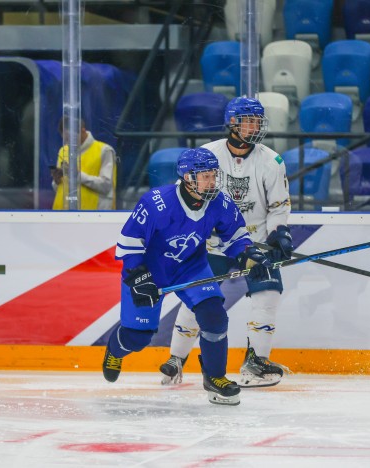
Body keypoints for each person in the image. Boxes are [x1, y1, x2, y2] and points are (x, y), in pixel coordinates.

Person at [104, 147, 277, 406]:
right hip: (150, 272)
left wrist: (250, 257)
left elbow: (237, 237)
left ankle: (215, 378)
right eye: (205, 176)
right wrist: (138, 276)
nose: (211, 181)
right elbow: (129, 242)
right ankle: (115, 350)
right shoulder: (156, 202)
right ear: (187, 178)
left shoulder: (219, 202)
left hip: (190, 267)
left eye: (213, 175)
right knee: (137, 338)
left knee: (214, 316)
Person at [159, 96, 293, 388]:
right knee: (198, 299)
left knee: (267, 296)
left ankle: (256, 362)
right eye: (249, 120)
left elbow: (278, 207)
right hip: (211, 244)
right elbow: (183, 198)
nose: (255, 126)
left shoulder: (272, 161)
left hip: (253, 244)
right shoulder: (206, 154)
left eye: (258, 121)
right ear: (232, 123)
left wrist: (278, 233)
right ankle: (176, 360)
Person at [51, 118, 116, 210]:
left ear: (83, 131)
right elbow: (59, 189)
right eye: (65, 139)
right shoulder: (63, 151)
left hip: (93, 217)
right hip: (62, 216)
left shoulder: (104, 151)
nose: (68, 143)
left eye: (70, 138)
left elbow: (106, 186)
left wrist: (77, 176)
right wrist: (56, 181)